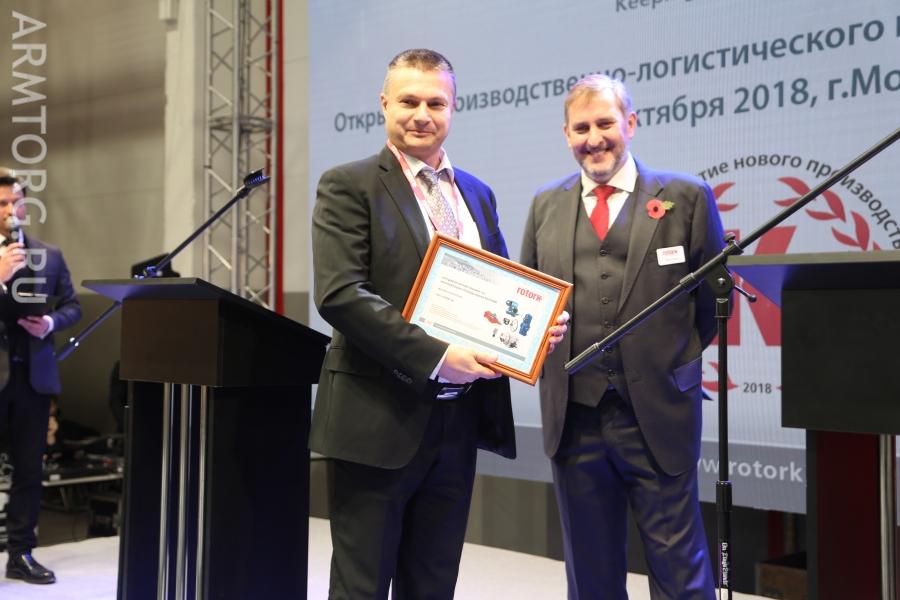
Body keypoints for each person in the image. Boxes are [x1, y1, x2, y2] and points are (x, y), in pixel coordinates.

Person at [311, 48, 565, 599]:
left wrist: (528, 333)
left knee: (433, 584)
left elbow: (500, 292)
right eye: (409, 101)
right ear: (384, 104)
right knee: (360, 587)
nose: (422, 115)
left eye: (436, 103)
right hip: (375, 418)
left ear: (453, 108)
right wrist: (438, 357)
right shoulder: (349, 184)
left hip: (458, 422)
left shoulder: (477, 193)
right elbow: (340, 294)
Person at [520, 74, 725, 600]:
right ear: (566, 134)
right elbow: (530, 299)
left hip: (659, 412)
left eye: (605, 123)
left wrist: (667, 361)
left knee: (680, 570)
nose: (594, 139)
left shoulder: (685, 196)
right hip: (575, 417)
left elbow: (709, 306)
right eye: (581, 128)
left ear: (630, 123)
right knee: (590, 575)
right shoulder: (545, 204)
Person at [0, 169, 81, 584]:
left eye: (16, 203)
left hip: (33, 377)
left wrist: (49, 322)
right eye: (2, 204)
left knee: (29, 471)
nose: (10, 210)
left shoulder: (49, 254)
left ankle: (21, 553)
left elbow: (73, 306)